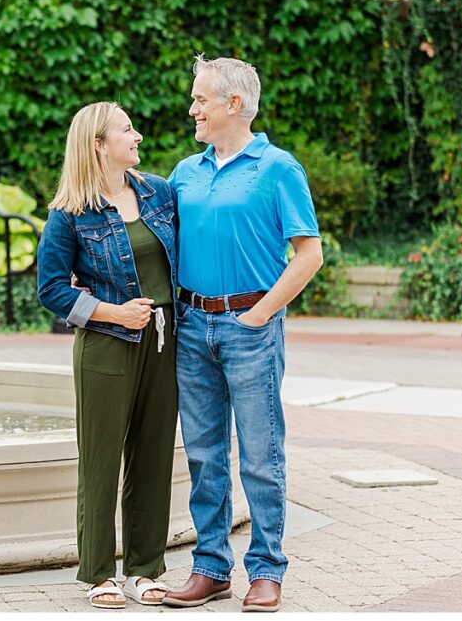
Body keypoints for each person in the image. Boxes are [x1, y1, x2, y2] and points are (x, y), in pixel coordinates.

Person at [161, 56, 322, 613]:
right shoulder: (185, 171)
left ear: (234, 104)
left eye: (201, 99)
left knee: (260, 455)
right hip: (190, 327)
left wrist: (261, 315)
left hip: (250, 327)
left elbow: (309, 254)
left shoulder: (278, 169)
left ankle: (267, 571)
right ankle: (210, 569)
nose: (192, 109)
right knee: (205, 456)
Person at [37, 102, 179, 609]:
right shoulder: (70, 213)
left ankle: (144, 569)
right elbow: (51, 289)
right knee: (101, 460)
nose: (137, 135)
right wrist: (114, 314)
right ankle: (98, 573)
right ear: (98, 143)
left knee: (155, 454)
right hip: (106, 345)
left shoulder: (159, 193)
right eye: (126, 129)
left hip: (165, 342)